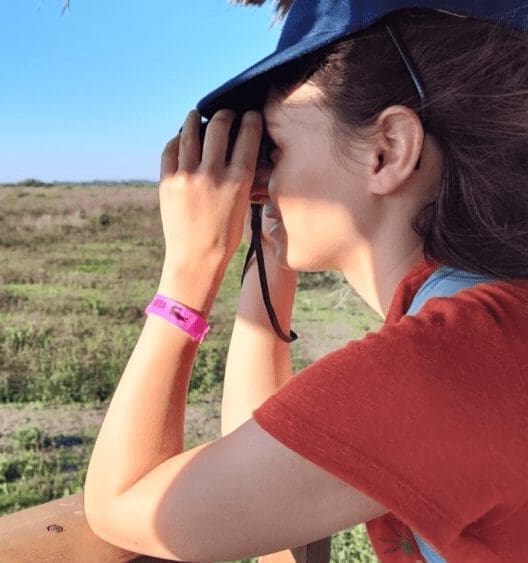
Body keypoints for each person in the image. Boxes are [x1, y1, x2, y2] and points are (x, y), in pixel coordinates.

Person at [82, 1, 527, 561]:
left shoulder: (440, 362)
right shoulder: (493, 323)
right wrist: (270, 249)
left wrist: (189, 269)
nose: (261, 179)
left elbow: (123, 504)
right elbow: (268, 478)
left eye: (276, 146)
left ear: (387, 150)